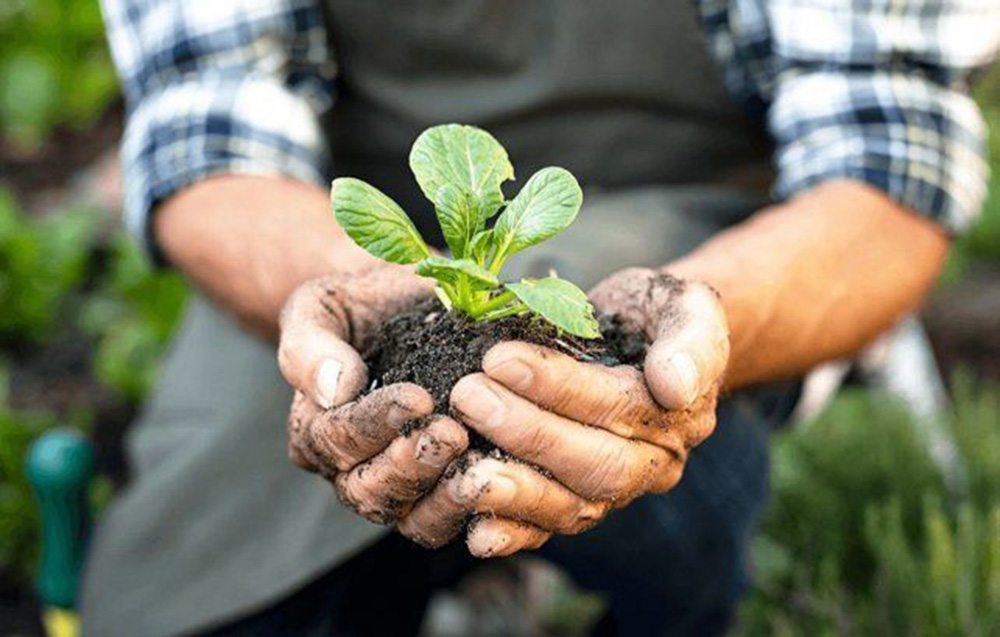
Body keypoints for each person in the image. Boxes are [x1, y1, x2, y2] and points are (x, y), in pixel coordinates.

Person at [82, 1, 1000, 635]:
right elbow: (206, 126)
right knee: (199, 591)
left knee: (668, 498)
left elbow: (885, 159)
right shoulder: (353, 275)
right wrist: (346, 303)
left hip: (705, 230)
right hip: (332, 245)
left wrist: (698, 326)